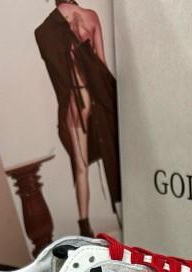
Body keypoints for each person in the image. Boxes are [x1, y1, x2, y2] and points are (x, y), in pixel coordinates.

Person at [35, 0, 121, 238]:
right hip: (98, 96)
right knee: (116, 156)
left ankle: (84, 224)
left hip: (75, 101)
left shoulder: (44, 31)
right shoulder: (90, 16)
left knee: (80, 168)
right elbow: (101, 63)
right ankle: (126, 212)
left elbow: (58, 77)